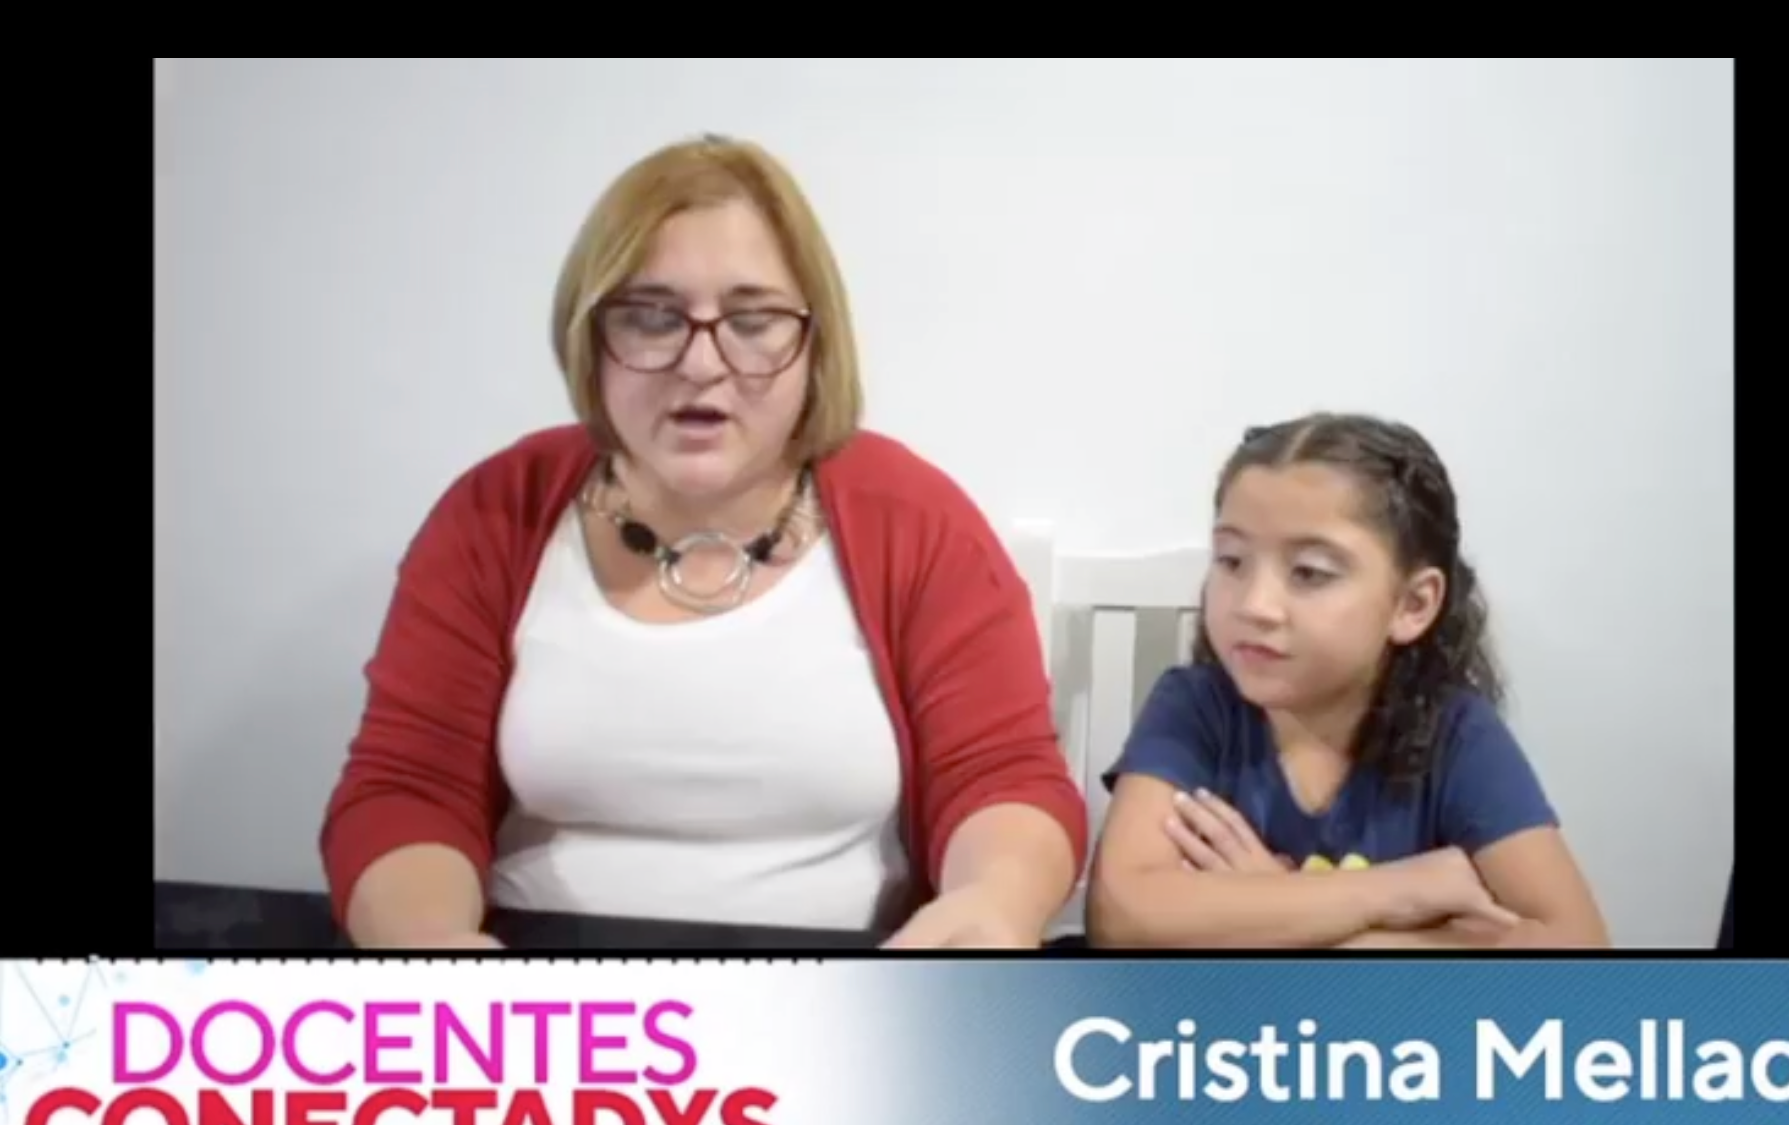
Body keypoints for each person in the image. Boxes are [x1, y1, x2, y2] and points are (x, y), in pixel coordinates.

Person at [318, 135, 1087, 949]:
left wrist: (994, 904)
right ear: (589, 338)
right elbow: (408, 788)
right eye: (651, 317)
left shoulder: (916, 517)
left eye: (753, 321)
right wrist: (431, 947)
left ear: (816, 345)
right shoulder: (496, 510)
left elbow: (1001, 778)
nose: (700, 364)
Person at [1087, 414, 1608, 949]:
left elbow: (1577, 947)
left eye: (1309, 572)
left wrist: (1277, 913)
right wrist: (1398, 893)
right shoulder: (1195, 706)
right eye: (1232, 561)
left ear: (1412, 604)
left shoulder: (1456, 734)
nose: (1254, 604)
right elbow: (1122, 916)